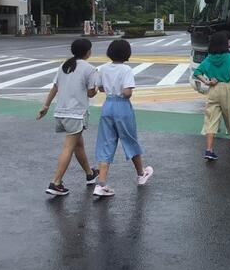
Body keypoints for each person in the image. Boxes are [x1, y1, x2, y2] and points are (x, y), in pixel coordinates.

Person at [37, 38, 99, 196]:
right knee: (68, 147)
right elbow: (91, 93)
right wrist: (95, 88)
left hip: (61, 112)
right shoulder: (90, 69)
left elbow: (55, 87)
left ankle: (90, 174)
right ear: (88, 52)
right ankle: (56, 182)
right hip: (76, 113)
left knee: (78, 145)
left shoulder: (64, 65)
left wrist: (45, 106)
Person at [93, 39, 153, 197]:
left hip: (107, 105)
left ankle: (101, 184)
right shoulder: (126, 69)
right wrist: (123, 90)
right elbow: (127, 92)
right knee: (129, 139)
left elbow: (100, 88)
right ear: (127, 53)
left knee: (106, 143)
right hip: (122, 107)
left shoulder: (103, 68)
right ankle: (141, 174)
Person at [192, 31, 230, 161]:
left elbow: (197, 72)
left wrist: (207, 82)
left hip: (213, 89)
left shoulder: (209, 58)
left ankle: (209, 149)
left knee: (211, 119)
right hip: (227, 88)